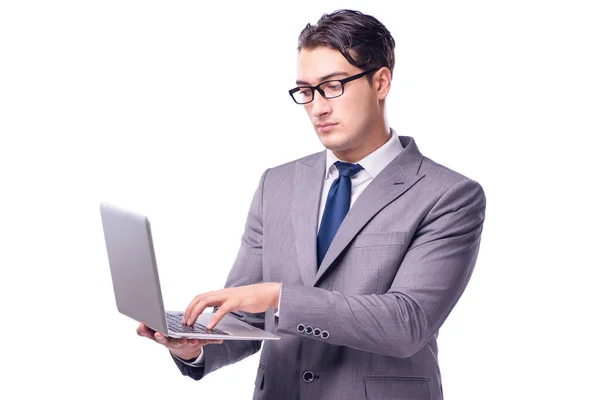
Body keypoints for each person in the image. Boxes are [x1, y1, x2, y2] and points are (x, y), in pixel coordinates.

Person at [137, 9, 486, 400]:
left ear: (381, 82)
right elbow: (248, 318)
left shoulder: (448, 195)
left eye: (332, 86)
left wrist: (279, 297)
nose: (317, 108)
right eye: (306, 91)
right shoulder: (277, 184)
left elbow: (406, 324)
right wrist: (195, 346)